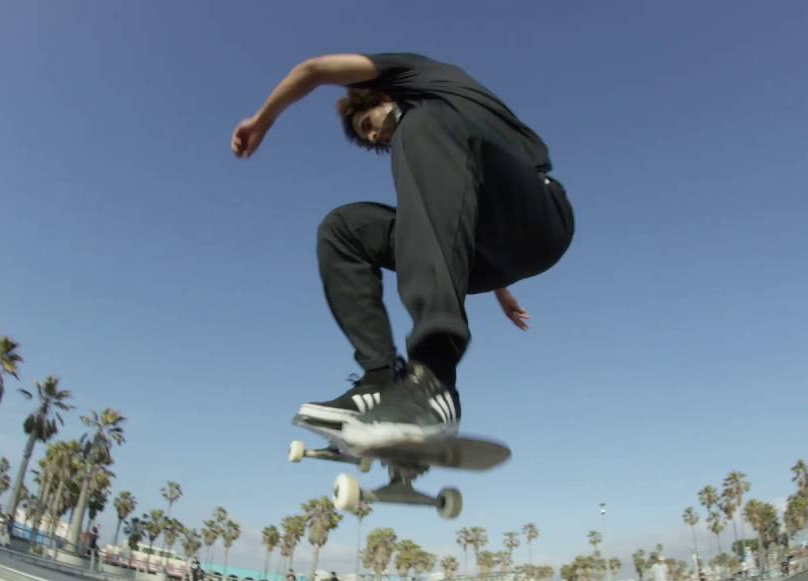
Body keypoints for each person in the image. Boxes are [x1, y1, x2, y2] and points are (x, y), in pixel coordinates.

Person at [232, 53, 574, 447]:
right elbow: (450, 212)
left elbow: (313, 70)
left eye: (368, 125)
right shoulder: (429, 149)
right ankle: (378, 381)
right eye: (367, 139)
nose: (374, 137)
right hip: (488, 254)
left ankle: (432, 382)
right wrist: (502, 289)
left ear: (379, 97)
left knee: (424, 124)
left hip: (541, 214)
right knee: (344, 228)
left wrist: (263, 119)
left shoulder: (423, 81)